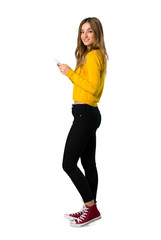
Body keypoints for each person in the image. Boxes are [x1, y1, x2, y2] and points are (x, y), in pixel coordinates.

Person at [57, 17, 108, 227]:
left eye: (89, 31)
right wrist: (71, 73)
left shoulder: (94, 55)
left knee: (68, 163)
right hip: (87, 113)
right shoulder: (91, 55)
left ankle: (91, 207)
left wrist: (70, 73)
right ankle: (90, 208)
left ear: (96, 34)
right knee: (88, 163)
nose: (85, 36)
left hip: (85, 115)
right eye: (82, 32)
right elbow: (87, 84)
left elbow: (93, 88)